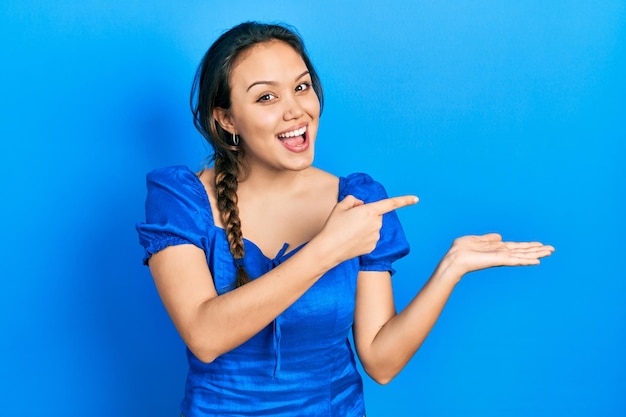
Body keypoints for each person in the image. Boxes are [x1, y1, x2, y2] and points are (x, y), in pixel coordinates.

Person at [136, 21, 554, 417]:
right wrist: (328, 248)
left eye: (302, 87)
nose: (295, 110)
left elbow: (381, 361)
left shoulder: (358, 199)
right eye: (266, 97)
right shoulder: (181, 199)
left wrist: (451, 268)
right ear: (226, 119)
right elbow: (205, 337)